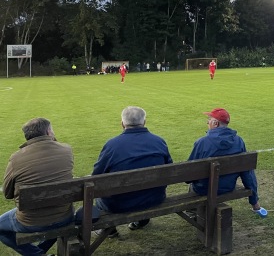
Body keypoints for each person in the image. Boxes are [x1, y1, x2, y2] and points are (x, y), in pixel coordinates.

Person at [92, 106, 172, 237]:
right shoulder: (159, 141)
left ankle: (110, 230)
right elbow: (170, 169)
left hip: (120, 204)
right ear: (144, 122)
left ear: (122, 124)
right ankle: (141, 220)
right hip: (154, 198)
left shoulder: (112, 145)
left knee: (100, 199)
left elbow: (96, 177)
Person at [0, 118, 74, 255]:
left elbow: (7, 193)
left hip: (32, 221)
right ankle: (39, 252)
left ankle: (37, 254)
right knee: (55, 219)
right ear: (48, 132)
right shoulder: (66, 150)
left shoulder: (16, 158)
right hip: (64, 216)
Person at [188, 108, 264, 215]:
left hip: (204, 189)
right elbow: (247, 173)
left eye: (209, 119)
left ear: (215, 123)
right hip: (227, 187)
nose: (207, 122)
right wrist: (254, 202)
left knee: (192, 186)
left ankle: (193, 212)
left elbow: (189, 174)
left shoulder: (202, 143)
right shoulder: (239, 141)